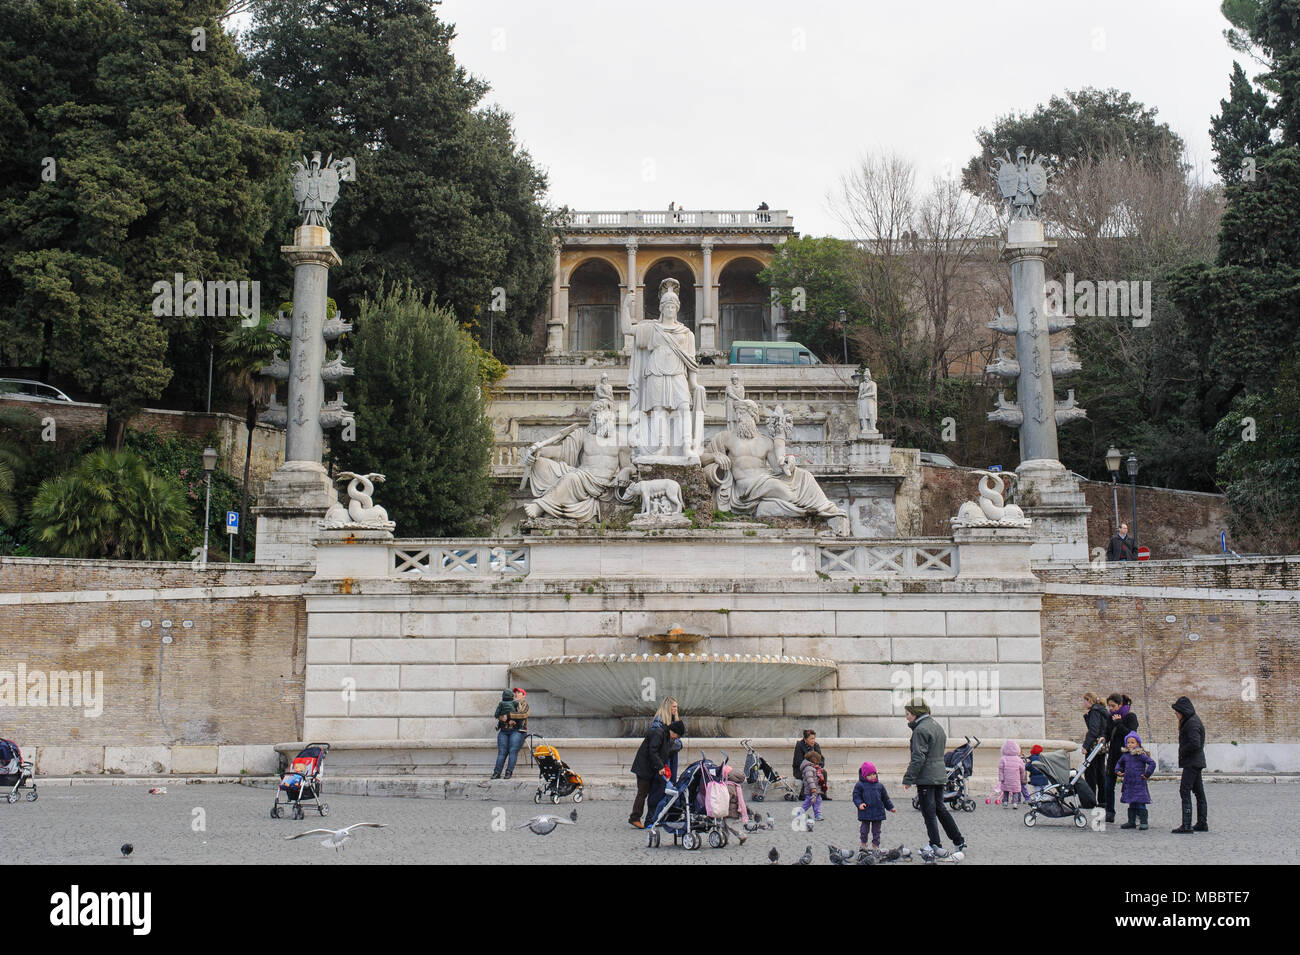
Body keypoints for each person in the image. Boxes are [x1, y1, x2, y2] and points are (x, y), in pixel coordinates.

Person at [902, 700, 966, 855]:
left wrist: (908, 779)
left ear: (915, 713)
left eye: (908, 714)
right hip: (939, 774)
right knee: (940, 809)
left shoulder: (920, 730)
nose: (907, 718)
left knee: (929, 812)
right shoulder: (936, 725)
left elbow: (918, 757)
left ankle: (934, 844)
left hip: (927, 776)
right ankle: (958, 841)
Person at [628, 718, 684, 829]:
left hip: (651, 768)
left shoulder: (665, 735)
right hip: (644, 768)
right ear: (673, 732)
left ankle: (650, 819)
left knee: (650, 793)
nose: (676, 739)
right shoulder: (658, 733)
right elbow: (652, 751)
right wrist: (660, 766)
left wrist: (662, 766)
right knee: (642, 792)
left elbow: (660, 753)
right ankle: (634, 817)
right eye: (677, 736)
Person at [1171, 696, 1208, 833]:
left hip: (1192, 762)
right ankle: (1202, 822)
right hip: (1196, 761)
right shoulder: (1192, 721)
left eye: (1177, 711)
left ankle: (1186, 824)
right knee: (1199, 792)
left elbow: (1195, 743)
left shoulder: (1191, 723)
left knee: (1185, 790)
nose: (1175, 713)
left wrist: (1183, 752)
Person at [1103, 693, 1139, 823]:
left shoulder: (1131, 717)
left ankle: (1135, 813)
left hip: (1128, 755)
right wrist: (1104, 737)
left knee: (1131, 784)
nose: (1111, 709)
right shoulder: (1110, 717)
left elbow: (1131, 735)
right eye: (1109, 706)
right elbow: (1107, 732)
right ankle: (1109, 812)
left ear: (1120, 705)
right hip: (1114, 754)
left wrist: (1119, 723)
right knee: (1108, 783)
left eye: (1113, 706)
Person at [1115, 732, 1155, 830]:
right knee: (1131, 803)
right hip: (1129, 783)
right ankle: (1131, 821)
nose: (1130, 744)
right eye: (1128, 742)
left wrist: (1147, 774)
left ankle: (1143, 821)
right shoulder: (1125, 755)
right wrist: (1118, 771)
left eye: (1132, 742)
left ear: (1137, 744)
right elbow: (1119, 763)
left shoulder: (1141, 755)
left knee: (1141, 803)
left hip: (1139, 782)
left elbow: (1152, 763)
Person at [853, 761, 895, 849]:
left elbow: (885, 798)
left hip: (878, 812)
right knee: (864, 830)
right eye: (869, 775)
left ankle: (876, 845)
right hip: (865, 812)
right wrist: (860, 804)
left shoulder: (879, 786)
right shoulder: (860, 785)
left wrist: (890, 807)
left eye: (874, 774)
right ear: (864, 776)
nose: (872, 776)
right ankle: (863, 843)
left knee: (877, 831)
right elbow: (856, 796)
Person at [491, 687, 528, 779]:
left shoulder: (524, 704)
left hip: (517, 731)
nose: (516, 693)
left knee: (512, 751)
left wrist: (508, 716)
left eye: (518, 692)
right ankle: (496, 772)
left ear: (523, 695)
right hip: (504, 730)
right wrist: (503, 719)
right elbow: (499, 715)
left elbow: (523, 714)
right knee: (502, 752)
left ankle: (508, 772)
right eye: (515, 692)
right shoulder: (506, 703)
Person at [1082, 691, 1110, 800]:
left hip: (1094, 746)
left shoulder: (1094, 711)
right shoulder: (1102, 710)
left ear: (1089, 700)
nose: (1083, 703)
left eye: (1084, 700)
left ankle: (1091, 799)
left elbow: (1093, 730)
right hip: (1101, 745)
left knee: (1091, 773)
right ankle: (1102, 799)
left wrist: (1085, 745)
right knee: (1100, 772)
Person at [650, 697, 682, 783]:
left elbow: (679, 743)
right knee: (664, 783)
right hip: (663, 757)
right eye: (674, 706)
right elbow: (656, 741)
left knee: (672, 782)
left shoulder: (674, 720)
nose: (676, 709)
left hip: (672, 755)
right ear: (668, 707)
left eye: (676, 707)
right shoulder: (659, 720)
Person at [792, 729, 830, 799]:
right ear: (805, 739)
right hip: (800, 769)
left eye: (814, 738)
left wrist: (818, 766)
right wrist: (812, 766)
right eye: (811, 739)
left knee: (823, 772)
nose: (813, 740)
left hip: (815, 767)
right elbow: (799, 762)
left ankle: (823, 794)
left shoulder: (816, 745)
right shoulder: (799, 745)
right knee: (809, 772)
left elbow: (821, 759)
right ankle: (803, 795)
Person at [995, 739, 1026, 806]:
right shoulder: (1019, 759)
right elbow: (1022, 770)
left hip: (1006, 779)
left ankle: (1005, 802)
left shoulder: (1003, 759)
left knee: (1006, 791)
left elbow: (1000, 769)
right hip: (1016, 779)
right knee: (1015, 791)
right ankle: (1015, 803)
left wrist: (1001, 778)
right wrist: (1021, 778)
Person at [799, 749, 825, 822]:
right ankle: (800, 812)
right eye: (817, 760)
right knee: (808, 802)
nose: (818, 762)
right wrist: (813, 788)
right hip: (811, 789)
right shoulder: (808, 768)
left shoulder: (811, 767)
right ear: (814, 760)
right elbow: (810, 779)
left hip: (815, 789)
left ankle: (818, 814)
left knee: (817, 801)